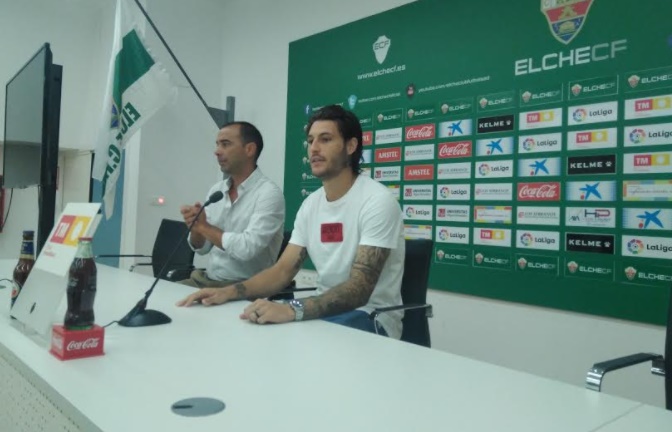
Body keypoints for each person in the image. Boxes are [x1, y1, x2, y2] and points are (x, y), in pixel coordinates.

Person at [177, 105, 405, 338]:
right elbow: (282, 271)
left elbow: (358, 290)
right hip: (326, 314)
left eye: (325, 139)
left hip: (371, 318)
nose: (314, 148)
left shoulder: (377, 201)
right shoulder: (311, 205)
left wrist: (292, 309)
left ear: (351, 146)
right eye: (310, 140)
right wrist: (227, 293)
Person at [178, 121, 285, 288]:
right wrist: (196, 228)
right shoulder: (217, 190)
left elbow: (247, 249)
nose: (217, 151)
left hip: (246, 288)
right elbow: (202, 248)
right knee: (157, 300)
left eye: (225, 144)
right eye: (217, 144)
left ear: (249, 149)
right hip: (207, 279)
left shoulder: (269, 194)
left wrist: (205, 227)